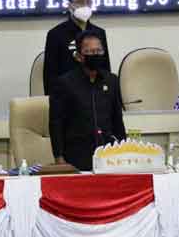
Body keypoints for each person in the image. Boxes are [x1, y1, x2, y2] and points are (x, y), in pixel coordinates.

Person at [49, 30, 126, 171]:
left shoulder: (111, 81)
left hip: (109, 156)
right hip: (76, 156)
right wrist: (59, 157)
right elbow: (56, 123)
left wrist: (124, 150)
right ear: (79, 56)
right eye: (89, 52)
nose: (95, 55)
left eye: (98, 51)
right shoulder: (64, 83)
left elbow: (117, 121)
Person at [43, 0, 110, 95]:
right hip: (67, 95)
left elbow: (105, 70)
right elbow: (50, 77)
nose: (85, 6)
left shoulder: (99, 33)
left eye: (88, 2)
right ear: (70, 5)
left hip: (95, 94)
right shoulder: (55, 34)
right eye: (80, 2)